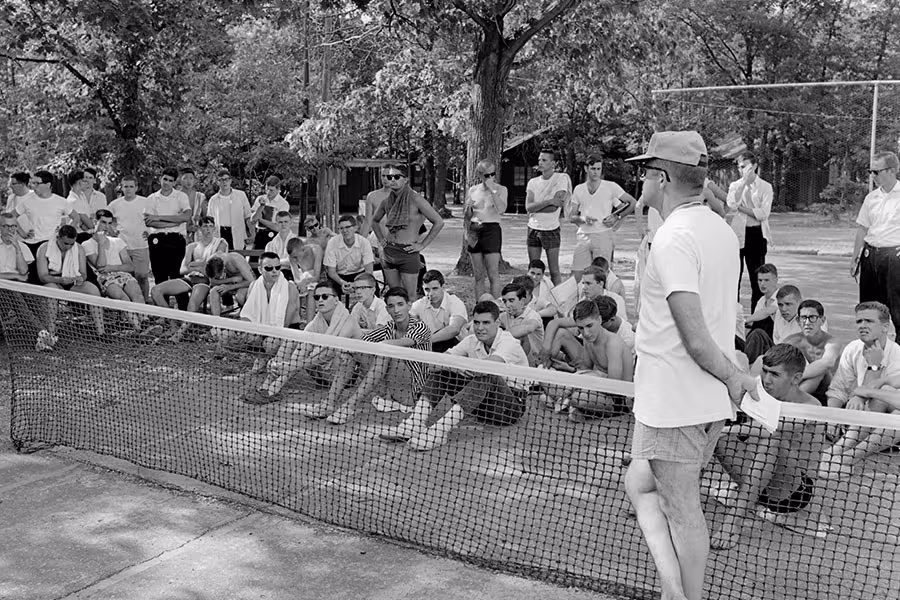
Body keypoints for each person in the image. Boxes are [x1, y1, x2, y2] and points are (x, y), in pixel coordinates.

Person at [623, 130, 755, 600]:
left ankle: (684, 596)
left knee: (681, 509)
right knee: (638, 481)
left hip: (674, 402)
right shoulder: (719, 229)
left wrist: (735, 377)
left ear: (660, 177)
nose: (640, 178)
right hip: (701, 402)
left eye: (644, 170)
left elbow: (697, 339)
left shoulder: (672, 238)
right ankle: (673, 588)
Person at [710, 344, 825, 550]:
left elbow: (768, 428)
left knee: (774, 440)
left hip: (791, 493)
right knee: (719, 437)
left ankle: (732, 522)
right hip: (759, 482)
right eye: (764, 371)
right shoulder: (761, 392)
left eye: (775, 374)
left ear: (795, 378)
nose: (766, 379)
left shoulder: (811, 407)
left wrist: (727, 429)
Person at [381, 300, 528, 451]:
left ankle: (440, 431)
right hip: (479, 405)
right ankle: (415, 422)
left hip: (509, 408)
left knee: (487, 373)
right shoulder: (471, 340)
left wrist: (457, 365)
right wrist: (452, 366)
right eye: (476, 323)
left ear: (497, 323)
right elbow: (434, 365)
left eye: (486, 323)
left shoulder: (509, 342)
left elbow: (487, 367)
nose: (480, 328)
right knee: (444, 369)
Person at [300, 286, 431, 424]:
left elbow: (404, 342)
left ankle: (350, 406)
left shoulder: (420, 327)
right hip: (389, 390)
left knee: (384, 351)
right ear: (387, 310)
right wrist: (347, 352)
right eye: (391, 306)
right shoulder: (389, 327)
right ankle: (329, 403)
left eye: (400, 305)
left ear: (409, 305)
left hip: (412, 393)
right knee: (352, 353)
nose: (396, 310)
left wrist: (379, 346)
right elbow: (362, 342)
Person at [248, 279, 360, 404]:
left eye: (325, 296)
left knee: (338, 355)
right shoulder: (317, 321)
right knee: (293, 341)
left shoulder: (348, 322)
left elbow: (328, 353)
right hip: (321, 373)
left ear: (336, 300)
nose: (320, 300)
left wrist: (290, 367)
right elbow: (302, 344)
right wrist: (278, 364)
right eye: (317, 297)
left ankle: (273, 389)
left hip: (344, 377)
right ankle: (267, 386)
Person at [822, 301, 900, 478]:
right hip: (862, 421)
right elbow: (838, 388)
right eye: (859, 321)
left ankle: (848, 458)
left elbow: (889, 397)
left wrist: (873, 369)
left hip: (891, 425)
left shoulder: (897, 354)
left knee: (885, 395)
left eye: (869, 321)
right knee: (879, 396)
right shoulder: (853, 348)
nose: (862, 326)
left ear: (885, 327)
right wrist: (833, 419)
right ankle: (835, 451)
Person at [548, 299, 634, 421]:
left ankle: (571, 403)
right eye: (581, 328)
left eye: (589, 326)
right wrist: (570, 370)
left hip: (617, 400)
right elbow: (586, 368)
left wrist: (580, 381)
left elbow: (614, 386)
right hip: (593, 389)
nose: (586, 333)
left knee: (578, 397)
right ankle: (575, 408)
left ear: (599, 320)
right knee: (547, 377)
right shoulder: (588, 339)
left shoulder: (613, 343)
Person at [213, 252, 302, 365]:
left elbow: (285, 322)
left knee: (270, 344)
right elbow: (249, 314)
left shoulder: (290, 287)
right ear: (260, 270)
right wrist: (244, 333)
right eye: (269, 268)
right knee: (225, 336)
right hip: (263, 329)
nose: (275, 271)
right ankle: (258, 354)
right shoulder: (254, 286)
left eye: (277, 267)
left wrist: (264, 335)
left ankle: (265, 357)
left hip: (287, 330)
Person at [372, 165, 444, 298]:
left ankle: (412, 319)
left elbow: (438, 222)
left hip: (408, 252)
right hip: (389, 251)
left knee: (410, 296)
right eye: (389, 177)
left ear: (406, 179)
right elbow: (374, 221)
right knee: (396, 295)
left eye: (397, 177)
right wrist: (381, 240)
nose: (392, 180)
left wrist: (422, 245)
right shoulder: (387, 202)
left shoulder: (416, 200)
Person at [35, 225, 105, 349]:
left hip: (72, 282)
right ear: (58, 238)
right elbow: (43, 276)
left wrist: (80, 279)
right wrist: (60, 280)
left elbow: (83, 273)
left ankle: (101, 333)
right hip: (53, 281)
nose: (68, 247)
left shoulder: (79, 249)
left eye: (71, 244)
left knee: (92, 290)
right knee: (52, 292)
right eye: (65, 243)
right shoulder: (44, 248)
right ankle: (51, 334)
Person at [568, 156, 636, 281]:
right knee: (577, 276)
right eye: (593, 168)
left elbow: (631, 203)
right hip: (583, 236)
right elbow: (571, 217)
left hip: (603, 235)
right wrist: (583, 219)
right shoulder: (579, 189)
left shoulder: (611, 187)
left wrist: (616, 217)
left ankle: (604, 300)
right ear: (586, 168)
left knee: (601, 276)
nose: (596, 172)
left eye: (599, 169)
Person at [853, 151, 900, 330]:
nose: (872, 176)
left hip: (893, 258)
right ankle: (872, 352)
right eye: (870, 171)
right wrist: (854, 258)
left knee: (896, 309)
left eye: (876, 171)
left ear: (891, 170)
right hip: (870, 254)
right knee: (868, 309)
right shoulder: (871, 198)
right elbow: (862, 228)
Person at [150, 217, 228, 313]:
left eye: (211, 226)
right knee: (156, 290)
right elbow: (182, 270)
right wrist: (200, 267)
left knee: (192, 303)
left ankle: (185, 327)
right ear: (199, 228)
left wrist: (193, 264)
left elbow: (214, 262)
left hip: (206, 279)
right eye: (205, 226)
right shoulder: (192, 246)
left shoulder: (220, 242)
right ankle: (171, 322)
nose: (208, 229)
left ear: (214, 228)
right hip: (190, 278)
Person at [82, 209, 144, 329]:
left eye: (109, 223)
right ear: (95, 222)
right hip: (105, 279)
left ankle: (145, 322)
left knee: (137, 295)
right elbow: (100, 266)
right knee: (123, 298)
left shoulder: (117, 241)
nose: (106, 226)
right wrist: (100, 243)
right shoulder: (87, 244)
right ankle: (139, 328)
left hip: (122, 275)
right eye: (104, 222)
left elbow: (130, 266)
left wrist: (112, 267)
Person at [727, 151, 773, 311]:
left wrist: (741, 208)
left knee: (758, 280)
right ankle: (733, 318)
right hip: (738, 235)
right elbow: (731, 203)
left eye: (745, 166)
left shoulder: (765, 187)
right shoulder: (735, 185)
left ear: (754, 166)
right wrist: (742, 184)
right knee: (734, 278)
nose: (742, 170)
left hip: (756, 235)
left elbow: (763, 213)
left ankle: (757, 318)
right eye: (739, 167)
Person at [15, 170, 79, 279]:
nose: (33, 186)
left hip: (54, 245)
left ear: (48, 185)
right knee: (34, 279)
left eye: (37, 183)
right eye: (32, 183)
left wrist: (66, 232)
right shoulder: (27, 200)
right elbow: (10, 217)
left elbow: (76, 217)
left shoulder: (61, 201)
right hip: (33, 245)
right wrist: (22, 233)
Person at [779, 300, 841, 404]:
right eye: (803, 318)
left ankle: (790, 400)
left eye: (812, 318)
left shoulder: (832, 342)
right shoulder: (791, 341)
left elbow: (827, 363)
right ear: (798, 321)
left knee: (820, 371)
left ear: (822, 320)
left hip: (829, 391)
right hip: (800, 386)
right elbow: (777, 364)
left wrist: (796, 377)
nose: (807, 323)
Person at [525, 149, 569, 286]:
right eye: (539, 160)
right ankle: (532, 298)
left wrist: (539, 206)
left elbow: (555, 207)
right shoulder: (532, 182)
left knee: (554, 270)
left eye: (544, 160)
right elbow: (528, 207)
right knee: (533, 269)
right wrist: (548, 201)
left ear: (553, 163)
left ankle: (558, 300)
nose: (540, 163)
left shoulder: (560, 179)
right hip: (533, 227)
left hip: (551, 228)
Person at [465, 159, 507, 299]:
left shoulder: (501, 189)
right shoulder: (473, 190)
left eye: (492, 174)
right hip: (474, 229)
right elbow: (467, 215)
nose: (490, 177)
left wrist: (492, 190)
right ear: (480, 175)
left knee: (493, 273)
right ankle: (480, 305)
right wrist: (468, 209)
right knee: (478, 275)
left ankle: (495, 305)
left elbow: (501, 209)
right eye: (486, 175)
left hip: (491, 229)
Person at [144, 167, 191, 285]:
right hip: (157, 239)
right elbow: (149, 222)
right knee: (160, 276)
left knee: (177, 275)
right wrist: (175, 222)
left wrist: (158, 217)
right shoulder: (152, 198)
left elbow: (186, 217)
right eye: (165, 179)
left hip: (176, 239)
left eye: (170, 180)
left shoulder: (181, 196)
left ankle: (182, 303)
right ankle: (162, 302)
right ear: (160, 179)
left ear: (175, 182)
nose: (167, 183)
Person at [108, 174, 152, 300]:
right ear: (121, 188)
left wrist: (150, 232)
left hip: (141, 245)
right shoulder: (115, 204)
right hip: (123, 247)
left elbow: (154, 219)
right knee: (126, 278)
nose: (128, 189)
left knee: (142, 277)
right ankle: (129, 306)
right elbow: (104, 219)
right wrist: (113, 233)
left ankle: (143, 305)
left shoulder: (145, 202)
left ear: (136, 188)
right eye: (125, 186)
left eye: (131, 186)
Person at [410, 270, 467, 353]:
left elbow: (454, 329)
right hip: (431, 348)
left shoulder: (454, 302)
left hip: (456, 348)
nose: (431, 294)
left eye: (435, 288)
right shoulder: (420, 304)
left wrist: (426, 341)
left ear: (443, 287)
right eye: (427, 289)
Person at [743, 285, 804, 364]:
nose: (783, 309)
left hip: (793, 356)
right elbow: (776, 339)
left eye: (788, 304)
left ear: (799, 302)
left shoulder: (806, 319)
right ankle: (747, 364)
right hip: (778, 351)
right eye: (780, 305)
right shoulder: (778, 313)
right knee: (757, 334)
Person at [323, 214, 375, 298]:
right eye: (341, 228)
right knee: (328, 292)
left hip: (359, 274)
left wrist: (355, 284)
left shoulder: (364, 242)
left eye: (347, 227)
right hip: (338, 275)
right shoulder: (332, 243)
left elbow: (369, 271)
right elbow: (331, 272)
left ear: (355, 228)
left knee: (372, 288)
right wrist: (343, 283)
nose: (344, 231)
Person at [498, 282, 543, 365]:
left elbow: (530, 327)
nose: (507, 305)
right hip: (511, 357)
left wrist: (500, 335)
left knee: (520, 337)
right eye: (504, 301)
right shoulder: (504, 316)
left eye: (511, 301)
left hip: (534, 361)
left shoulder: (532, 315)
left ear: (522, 301)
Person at [207, 169, 252, 251]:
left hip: (237, 232)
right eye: (221, 180)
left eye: (226, 179)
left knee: (238, 258)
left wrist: (252, 233)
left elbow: (248, 216)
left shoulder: (241, 195)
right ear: (217, 182)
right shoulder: (213, 200)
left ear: (230, 181)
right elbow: (210, 221)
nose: (224, 182)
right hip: (220, 233)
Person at [205, 252, 256, 317]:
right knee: (214, 291)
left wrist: (230, 287)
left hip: (244, 282)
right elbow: (212, 281)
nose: (219, 278)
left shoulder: (236, 260)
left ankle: (245, 316)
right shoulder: (211, 261)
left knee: (240, 296)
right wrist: (230, 280)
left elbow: (252, 281)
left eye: (218, 276)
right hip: (231, 282)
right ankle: (216, 322)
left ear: (223, 269)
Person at [250, 175, 290, 249]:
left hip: (274, 236)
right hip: (260, 235)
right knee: (255, 259)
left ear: (278, 189)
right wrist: (261, 206)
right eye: (267, 189)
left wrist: (261, 220)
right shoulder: (260, 199)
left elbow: (278, 227)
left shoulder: (283, 204)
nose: (268, 192)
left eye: (271, 190)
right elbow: (252, 220)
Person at [286, 237, 320, 321]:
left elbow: (316, 276)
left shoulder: (316, 250)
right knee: (293, 288)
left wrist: (304, 282)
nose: (296, 260)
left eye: (296, 257)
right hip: (304, 277)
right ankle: (296, 321)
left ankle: (309, 323)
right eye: (293, 257)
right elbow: (296, 278)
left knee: (311, 289)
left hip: (318, 277)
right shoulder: (292, 257)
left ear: (303, 249)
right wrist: (300, 284)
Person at [66, 168, 106, 237]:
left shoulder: (78, 197)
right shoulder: (74, 201)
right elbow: (89, 224)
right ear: (79, 183)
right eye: (84, 181)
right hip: (79, 237)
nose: (87, 183)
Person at [743, 263, 779, 339]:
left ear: (776, 280)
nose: (762, 284)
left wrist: (745, 320)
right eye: (760, 280)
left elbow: (767, 312)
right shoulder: (761, 301)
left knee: (757, 332)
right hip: (762, 341)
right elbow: (754, 322)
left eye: (766, 280)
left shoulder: (781, 297)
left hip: (777, 342)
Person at [361, 169, 390, 237]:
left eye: (388, 176)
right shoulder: (372, 196)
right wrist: (361, 242)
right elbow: (367, 221)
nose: (385, 178)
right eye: (383, 176)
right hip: (378, 239)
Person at [179, 168, 206, 238]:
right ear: (180, 180)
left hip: (198, 236)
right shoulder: (175, 197)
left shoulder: (200, 197)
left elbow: (206, 218)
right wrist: (186, 228)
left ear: (194, 181)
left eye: (191, 178)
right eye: (185, 178)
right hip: (179, 235)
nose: (188, 181)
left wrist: (199, 223)